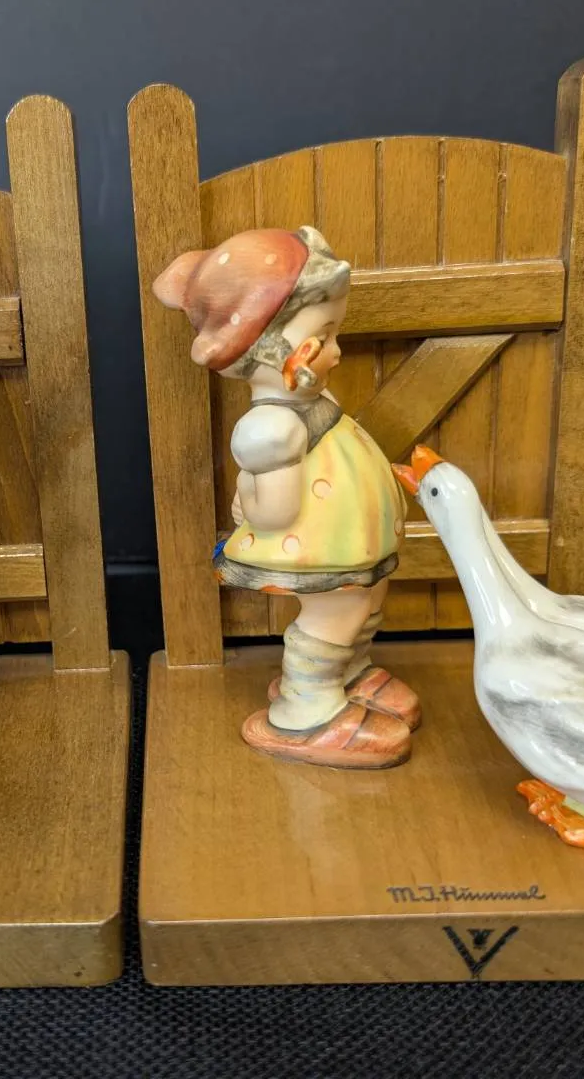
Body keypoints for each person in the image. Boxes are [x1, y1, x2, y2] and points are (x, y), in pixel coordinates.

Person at [153, 226, 420, 768]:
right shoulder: (270, 429)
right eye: (323, 338)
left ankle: (346, 671)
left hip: (347, 538)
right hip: (316, 544)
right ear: (262, 349)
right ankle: (305, 706)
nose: (337, 353)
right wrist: (248, 498)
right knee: (339, 607)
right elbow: (274, 512)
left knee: (366, 596)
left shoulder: (307, 401)